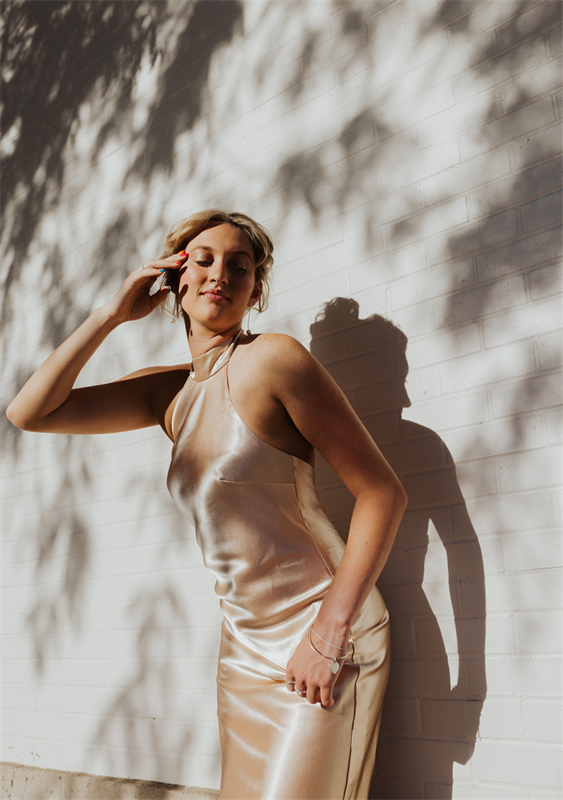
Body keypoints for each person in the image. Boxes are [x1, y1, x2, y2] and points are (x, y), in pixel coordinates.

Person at [7, 210, 407, 800]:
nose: (220, 273)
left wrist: (329, 634)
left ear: (256, 290)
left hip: (321, 632)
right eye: (204, 259)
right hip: (243, 650)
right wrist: (111, 314)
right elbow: (29, 413)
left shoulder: (274, 358)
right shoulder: (167, 392)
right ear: (173, 277)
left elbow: (382, 493)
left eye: (239, 266)